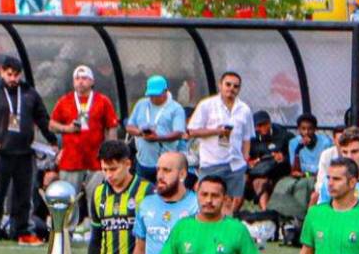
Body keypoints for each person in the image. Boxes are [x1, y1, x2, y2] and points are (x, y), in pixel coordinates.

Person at [0, 57, 55, 245]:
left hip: (25, 152)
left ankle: (23, 231)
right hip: (1, 152)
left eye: (16, 75)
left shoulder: (30, 94)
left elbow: (43, 119)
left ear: (20, 74)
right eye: (9, 74)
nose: (12, 78)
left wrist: (53, 140)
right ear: (2, 73)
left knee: (24, 194)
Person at [49, 65, 120, 223]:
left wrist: (111, 151)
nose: (81, 82)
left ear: (92, 81)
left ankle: (95, 226)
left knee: (96, 194)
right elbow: (52, 124)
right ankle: (68, 228)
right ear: (73, 82)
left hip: (96, 157)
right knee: (69, 194)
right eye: (77, 79)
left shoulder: (102, 101)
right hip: (71, 157)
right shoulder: (65, 101)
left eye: (85, 78)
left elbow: (111, 126)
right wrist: (66, 128)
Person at [187, 71, 254, 215]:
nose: (231, 89)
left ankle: (226, 232)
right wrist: (215, 131)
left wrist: (245, 159)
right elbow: (192, 131)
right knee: (207, 201)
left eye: (235, 86)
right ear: (220, 85)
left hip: (235, 164)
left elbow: (247, 137)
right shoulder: (206, 105)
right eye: (228, 84)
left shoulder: (244, 109)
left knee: (231, 202)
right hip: (212, 163)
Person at [125, 75, 188, 184]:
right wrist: (140, 132)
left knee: (165, 191)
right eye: (151, 95)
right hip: (143, 162)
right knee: (142, 193)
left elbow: (179, 133)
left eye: (157, 95)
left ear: (165, 91)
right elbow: (129, 127)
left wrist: (158, 138)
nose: (153, 98)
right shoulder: (141, 104)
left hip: (166, 163)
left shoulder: (176, 108)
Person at [245, 110, 291, 210]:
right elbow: (247, 158)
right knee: (252, 181)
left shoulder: (283, 135)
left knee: (261, 182)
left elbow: (295, 154)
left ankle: (267, 211)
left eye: (264, 124)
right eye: (258, 126)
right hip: (260, 171)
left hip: (280, 170)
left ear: (269, 123)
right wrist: (251, 163)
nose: (261, 128)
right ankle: (263, 211)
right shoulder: (252, 139)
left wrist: (283, 157)